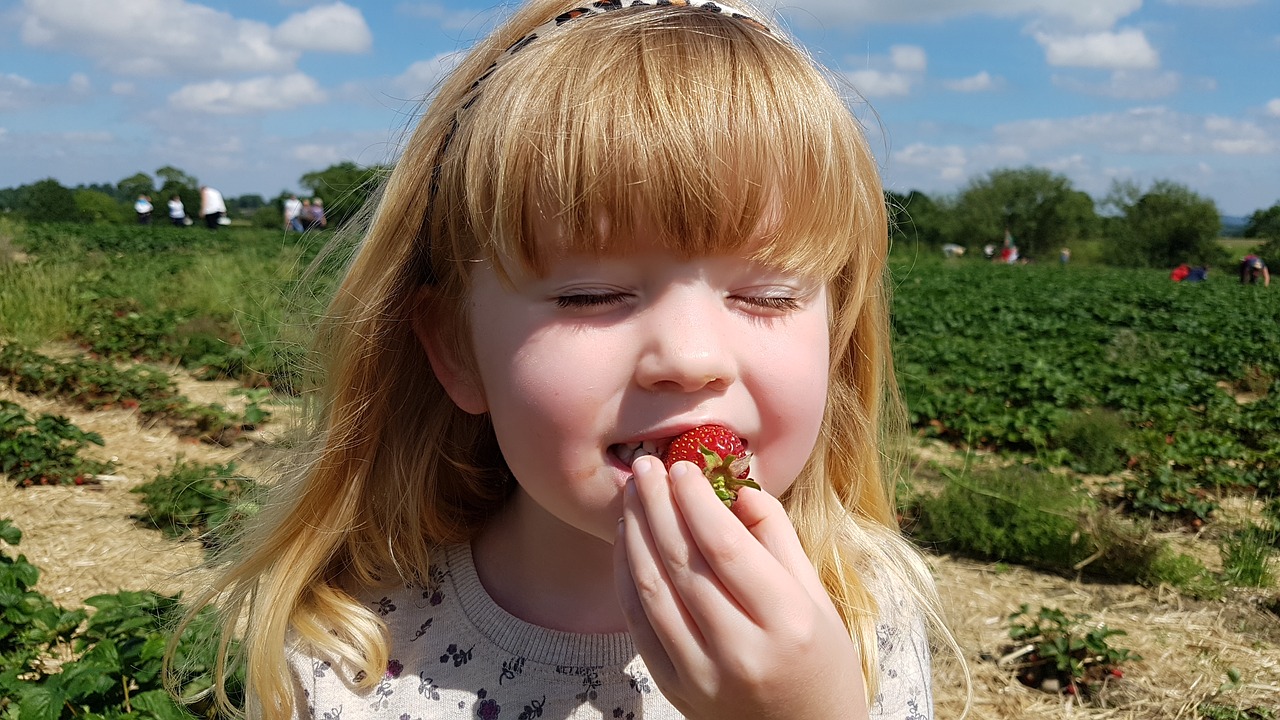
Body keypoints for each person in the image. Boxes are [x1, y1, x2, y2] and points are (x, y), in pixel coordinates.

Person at [175, 1, 961, 718]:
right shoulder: (352, 650)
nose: (690, 358)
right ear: (457, 348)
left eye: (767, 296)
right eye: (590, 296)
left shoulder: (857, 616)